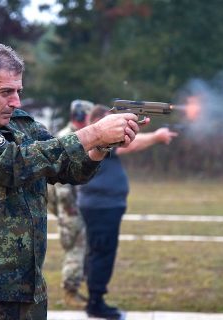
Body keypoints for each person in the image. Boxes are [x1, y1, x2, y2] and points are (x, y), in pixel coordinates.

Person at [0, 41, 143, 320]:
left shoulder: (21, 124)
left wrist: (102, 146)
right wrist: (92, 133)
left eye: (18, 91)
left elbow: (68, 168)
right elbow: (12, 164)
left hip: (27, 291)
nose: (16, 101)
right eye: (6, 92)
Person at [78, 104, 178, 319]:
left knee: (98, 252)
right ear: (98, 122)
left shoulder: (101, 143)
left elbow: (127, 143)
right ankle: (96, 302)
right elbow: (130, 146)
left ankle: (94, 298)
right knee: (102, 253)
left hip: (104, 205)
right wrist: (157, 137)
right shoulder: (98, 140)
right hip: (101, 206)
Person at [48, 100, 94, 308]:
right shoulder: (69, 137)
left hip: (74, 203)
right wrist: (69, 208)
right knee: (75, 247)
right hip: (70, 205)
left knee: (80, 246)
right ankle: (69, 292)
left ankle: (73, 289)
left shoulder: (77, 134)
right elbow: (61, 180)